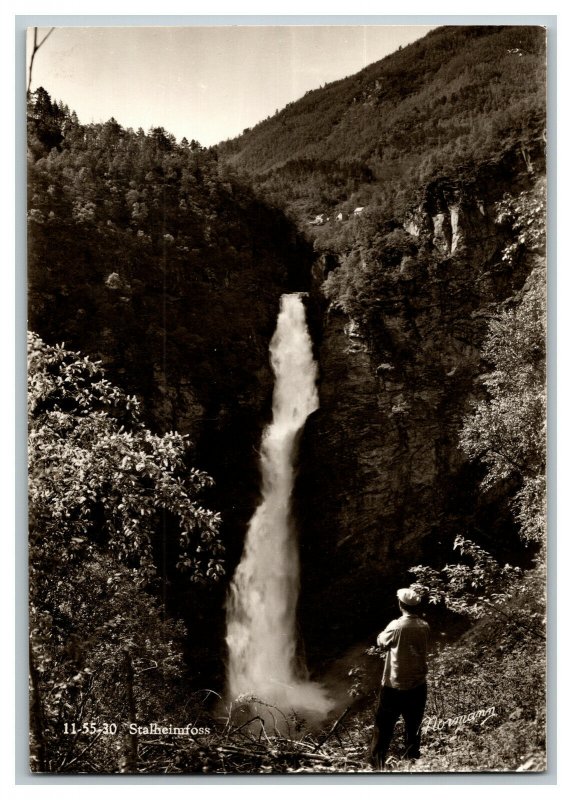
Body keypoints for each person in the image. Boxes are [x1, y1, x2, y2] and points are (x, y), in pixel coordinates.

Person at [369, 588, 430, 769]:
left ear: (400, 604)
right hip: (418, 685)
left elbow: (381, 642)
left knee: (383, 727)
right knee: (413, 727)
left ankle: (376, 766)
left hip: (394, 686)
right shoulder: (424, 625)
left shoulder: (396, 626)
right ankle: (411, 765)